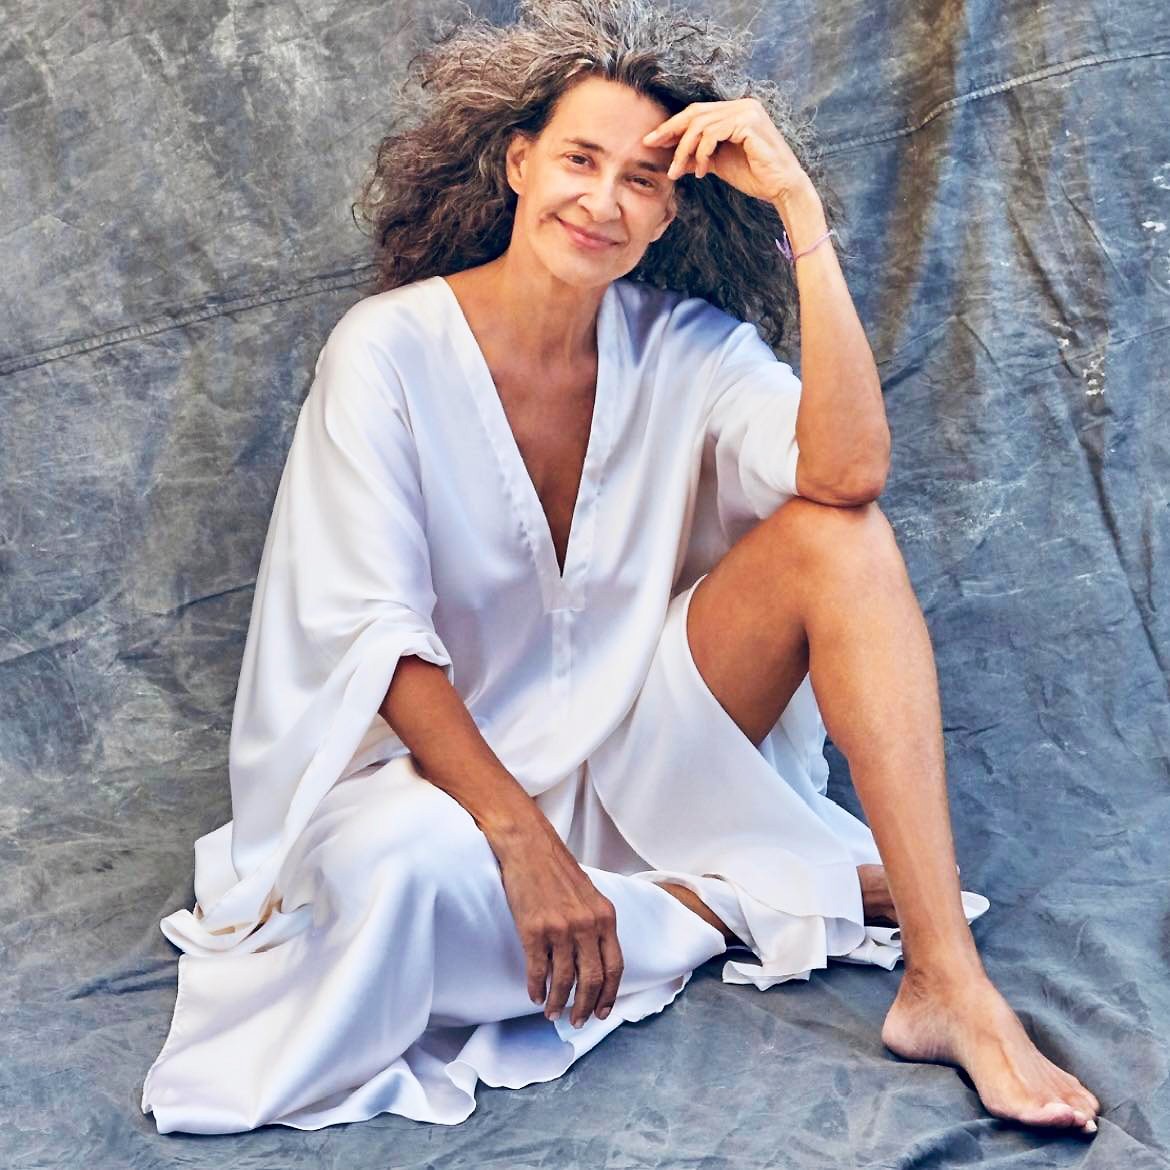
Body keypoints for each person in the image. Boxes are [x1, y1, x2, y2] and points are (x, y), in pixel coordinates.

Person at [141, 0, 1100, 1136]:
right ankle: (730, 899)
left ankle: (948, 984)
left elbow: (847, 475)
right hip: (441, 788)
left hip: (646, 760)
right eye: (578, 160)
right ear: (517, 163)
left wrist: (800, 211)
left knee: (838, 538)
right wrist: (522, 844)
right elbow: (372, 632)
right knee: (395, 885)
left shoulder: (688, 350)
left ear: (669, 212)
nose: (603, 201)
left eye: (642, 179)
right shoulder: (386, 352)